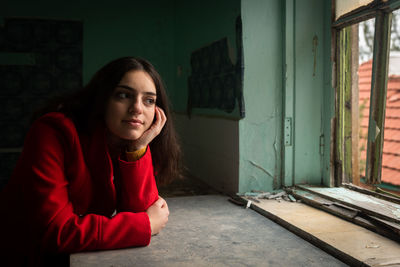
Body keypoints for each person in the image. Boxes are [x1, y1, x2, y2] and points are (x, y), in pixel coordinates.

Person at [0, 57, 182, 266]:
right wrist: (146, 224)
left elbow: (136, 211)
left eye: (149, 100)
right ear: (102, 99)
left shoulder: (126, 141)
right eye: (124, 95)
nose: (137, 108)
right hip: (23, 255)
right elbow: (55, 232)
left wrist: (137, 149)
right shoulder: (53, 132)